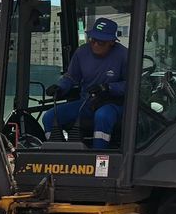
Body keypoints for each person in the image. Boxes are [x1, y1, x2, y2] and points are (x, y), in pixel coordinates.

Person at [39, 17, 129, 148]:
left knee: (102, 116)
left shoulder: (124, 55)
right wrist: (59, 88)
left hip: (113, 104)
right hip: (87, 102)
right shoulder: (82, 52)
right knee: (50, 116)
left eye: (101, 42)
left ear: (112, 42)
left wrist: (107, 87)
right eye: (93, 40)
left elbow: (131, 85)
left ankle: (97, 157)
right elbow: (71, 77)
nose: (96, 44)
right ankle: (59, 154)